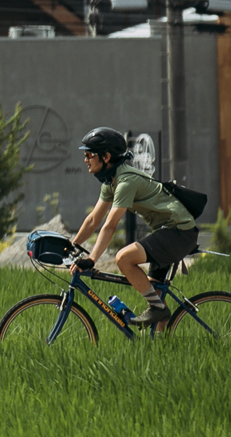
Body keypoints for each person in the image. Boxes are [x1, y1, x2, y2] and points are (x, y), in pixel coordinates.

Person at [71, 126, 196, 331]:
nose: (85, 159)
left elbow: (110, 226)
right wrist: (72, 245)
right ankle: (161, 349)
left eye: (89, 154)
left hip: (179, 232)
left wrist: (92, 259)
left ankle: (157, 309)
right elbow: (94, 219)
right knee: (156, 294)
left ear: (106, 156)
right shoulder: (111, 181)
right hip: (168, 232)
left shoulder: (126, 181)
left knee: (124, 258)